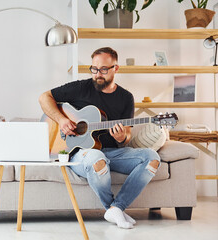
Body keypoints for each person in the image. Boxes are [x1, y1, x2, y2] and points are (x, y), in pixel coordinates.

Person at [39, 47, 161, 229]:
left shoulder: (126, 97)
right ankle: (114, 209)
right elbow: (44, 97)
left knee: (152, 158)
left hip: (111, 152)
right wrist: (62, 120)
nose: (97, 74)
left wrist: (122, 137)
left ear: (116, 68)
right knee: (97, 158)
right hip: (81, 153)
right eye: (94, 69)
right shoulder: (80, 87)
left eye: (103, 69)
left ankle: (116, 208)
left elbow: (126, 135)